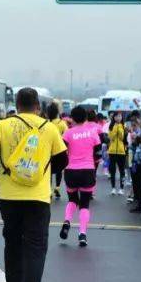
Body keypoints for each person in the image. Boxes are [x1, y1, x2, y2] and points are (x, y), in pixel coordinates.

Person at [0, 88, 68, 282]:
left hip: (9, 196)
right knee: (36, 248)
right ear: (37, 105)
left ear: (17, 105)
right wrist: (43, 170)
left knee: (13, 244)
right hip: (38, 197)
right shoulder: (49, 127)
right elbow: (63, 159)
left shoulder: (4, 124)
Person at [59, 106, 101, 247]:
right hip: (88, 171)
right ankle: (82, 234)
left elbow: (62, 152)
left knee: (72, 199)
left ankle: (67, 221)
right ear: (85, 118)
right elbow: (98, 154)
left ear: (72, 118)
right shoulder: (93, 132)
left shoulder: (68, 133)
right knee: (84, 204)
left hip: (71, 171)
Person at [46, 103, 65, 200]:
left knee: (48, 171)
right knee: (59, 170)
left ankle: (49, 190)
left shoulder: (47, 123)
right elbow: (66, 137)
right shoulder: (62, 123)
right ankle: (57, 187)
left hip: (48, 151)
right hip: (59, 150)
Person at [106, 112, 128, 196]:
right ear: (114, 117)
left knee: (122, 170)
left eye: (120, 116)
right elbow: (111, 137)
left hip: (121, 151)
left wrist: (120, 129)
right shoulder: (111, 126)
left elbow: (123, 138)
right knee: (112, 170)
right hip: (112, 151)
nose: (118, 118)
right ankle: (113, 188)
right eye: (117, 116)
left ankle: (121, 188)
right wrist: (115, 128)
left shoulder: (123, 126)